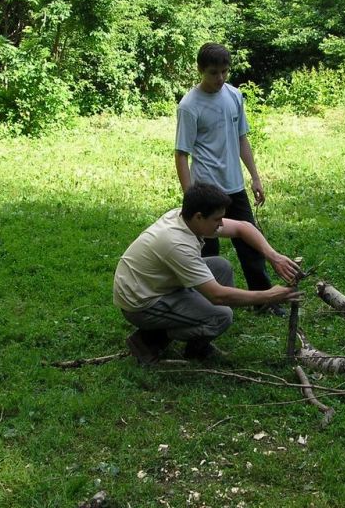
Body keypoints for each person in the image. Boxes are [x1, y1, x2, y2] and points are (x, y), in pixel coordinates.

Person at [113, 182, 302, 365]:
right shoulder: (177, 244)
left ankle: (190, 324)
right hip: (141, 302)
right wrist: (269, 295)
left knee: (221, 266)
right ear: (198, 217)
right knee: (221, 316)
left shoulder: (184, 218)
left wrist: (274, 256)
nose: (220, 224)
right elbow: (218, 296)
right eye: (216, 219)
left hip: (153, 283)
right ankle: (149, 340)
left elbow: (242, 227)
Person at [175, 43, 284, 314]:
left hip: (235, 187)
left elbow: (242, 139)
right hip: (207, 190)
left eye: (224, 72)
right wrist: (191, 197)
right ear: (201, 70)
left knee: (251, 245)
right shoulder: (189, 106)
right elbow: (181, 155)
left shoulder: (234, 95)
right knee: (207, 252)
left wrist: (255, 177)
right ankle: (206, 302)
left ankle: (263, 301)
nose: (220, 78)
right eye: (213, 73)